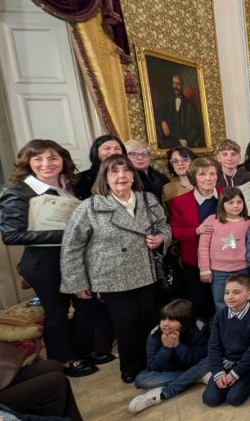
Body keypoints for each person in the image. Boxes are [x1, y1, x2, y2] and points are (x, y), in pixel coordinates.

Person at [61, 154, 171, 383]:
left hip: (146, 272)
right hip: (112, 277)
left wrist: (161, 238)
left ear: (133, 175)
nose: (121, 176)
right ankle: (131, 367)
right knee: (126, 324)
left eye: (126, 170)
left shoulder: (147, 199)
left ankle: (154, 361)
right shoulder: (90, 207)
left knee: (150, 320)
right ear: (105, 177)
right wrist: (77, 283)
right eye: (114, 171)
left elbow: (164, 226)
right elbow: (71, 246)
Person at [0, 139, 100, 377]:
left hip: (74, 259)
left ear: (63, 160)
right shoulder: (18, 193)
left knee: (87, 304)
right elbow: (11, 235)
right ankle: (64, 360)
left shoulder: (70, 187)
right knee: (57, 311)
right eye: (38, 159)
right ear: (28, 163)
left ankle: (82, 351)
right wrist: (67, 233)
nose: (47, 163)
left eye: (53, 158)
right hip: (44, 263)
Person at [128, 299, 209, 414]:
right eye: (163, 319)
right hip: (171, 371)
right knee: (141, 380)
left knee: (210, 360)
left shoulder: (198, 327)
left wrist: (178, 346)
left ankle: (164, 392)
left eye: (172, 320)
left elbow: (197, 359)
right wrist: (166, 348)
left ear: (185, 321)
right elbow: (153, 366)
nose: (165, 324)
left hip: (193, 365)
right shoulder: (155, 334)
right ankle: (196, 377)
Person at [168, 157, 222, 320]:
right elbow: (174, 231)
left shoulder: (227, 195)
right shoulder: (179, 202)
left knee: (224, 303)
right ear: (194, 177)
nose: (208, 178)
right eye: (202, 174)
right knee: (200, 305)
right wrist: (196, 230)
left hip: (225, 260)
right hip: (194, 261)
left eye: (212, 174)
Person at [202, 274, 250, 407]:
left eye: (236, 292)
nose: (230, 297)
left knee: (234, 398)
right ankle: (224, 377)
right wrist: (218, 372)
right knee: (210, 399)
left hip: (248, 364)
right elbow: (213, 346)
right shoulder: (220, 316)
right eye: (227, 292)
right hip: (226, 362)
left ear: (249, 294)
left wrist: (235, 373)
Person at [198, 187, 250, 314]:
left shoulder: (248, 223)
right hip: (218, 272)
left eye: (239, 202)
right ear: (222, 204)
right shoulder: (212, 220)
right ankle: (224, 324)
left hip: (242, 270)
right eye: (230, 202)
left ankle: (242, 324)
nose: (235, 206)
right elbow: (203, 246)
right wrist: (204, 269)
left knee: (243, 301)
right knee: (220, 302)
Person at [157, 73, 203, 149]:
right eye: (173, 83)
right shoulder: (168, 101)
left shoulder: (190, 106)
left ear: (182, 85)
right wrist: (163, 121)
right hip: (170, 139)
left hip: (184, 141)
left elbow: (195, 128)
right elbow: (159, 111)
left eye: (178, 84)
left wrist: (187, 141)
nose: (175, 86)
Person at [74, 134, 126, 200]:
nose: (113, 152)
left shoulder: (134, 173)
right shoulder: (80, 179)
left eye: (117, 148)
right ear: (96, 152)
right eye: (107, 148)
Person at [162, 146, 197, 212]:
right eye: (175, 161)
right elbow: (167, 215)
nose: (180, 163)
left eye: (185, 160)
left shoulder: (206, 183)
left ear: (193, 162)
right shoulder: (168, 189)